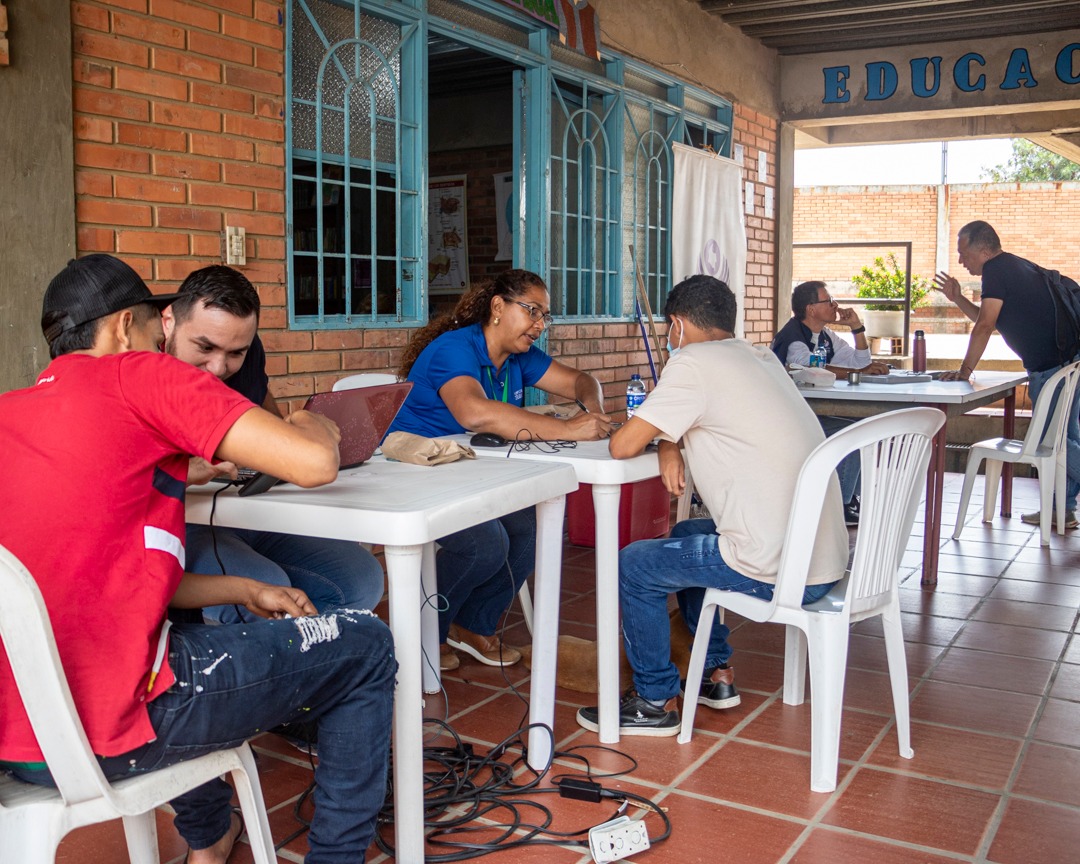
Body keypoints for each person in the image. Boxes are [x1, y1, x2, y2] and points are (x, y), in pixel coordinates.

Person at [0, 255, 396, 864]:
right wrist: (317, 423)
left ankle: (208, 839)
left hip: (22, 751)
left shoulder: (11, 412)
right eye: (154, 331)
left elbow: (108, 579)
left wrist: (242, 589)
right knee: (366, 644)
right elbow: (314, 466)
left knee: (193, 621)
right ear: (123, 327)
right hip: (112, 732)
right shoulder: (140, 376)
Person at [576, 274, 847, 737]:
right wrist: (668, 444)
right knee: (685, 537)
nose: (667, 339)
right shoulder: (760, 356)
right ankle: (715, 675)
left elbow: (623, 445)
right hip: (821, 563)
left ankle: (654, 699)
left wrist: (659, 439)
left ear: (677, 325)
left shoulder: (692, 363)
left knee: (635, 565)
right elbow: (687, 419)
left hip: (776, 569)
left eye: (667, 330)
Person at [390, 269, 612, 670]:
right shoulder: (454, 349)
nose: (540, 326)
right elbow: (474, 413)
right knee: (485, 543)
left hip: (470, 471)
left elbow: (582, 380)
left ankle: (472, 623)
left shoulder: (517, 358)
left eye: (545, 316)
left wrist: (591, 412)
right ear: (497, 307)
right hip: (417, 472)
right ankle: (426, 632)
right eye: (532, 311)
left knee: (531, 526)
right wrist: (566, 430)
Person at [163, 265, 385, 623]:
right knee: (268, 587)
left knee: (361, 579)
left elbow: (265, 412)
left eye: (235, 352)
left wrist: (283, 437)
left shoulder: (246, 353)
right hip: (179, 521)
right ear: (168, 321)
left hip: (237, 506)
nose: (218, 367)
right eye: (204, 347)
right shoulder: (143, 372)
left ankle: (310, 659)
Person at [934, 220, 1080, 527]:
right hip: (1066, 362)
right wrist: (958, 298)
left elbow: (985, 325)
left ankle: (1061, 508)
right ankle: (1061, 510)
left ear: (981, 248)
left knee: (1056, 444)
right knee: (1065, 439)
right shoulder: (1015, 265)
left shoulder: (996, 270)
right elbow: (989, 319)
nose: (961, 261)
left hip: (1052, 368)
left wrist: (965, 370)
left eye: (963, 253)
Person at [772, 281, 889, 524]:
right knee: (853, 430)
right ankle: (843, 506)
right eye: (828, 300)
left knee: (861, 424)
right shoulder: (793, 337)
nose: (835, 305)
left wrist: (856, 327)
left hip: (814, 411)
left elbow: (859, 362)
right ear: (811, 308)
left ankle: (850, 498)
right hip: (791, 418)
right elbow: (806, 367)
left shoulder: (826, 335)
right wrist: (860, 371)